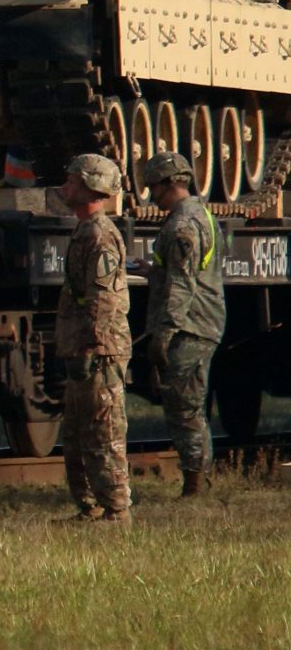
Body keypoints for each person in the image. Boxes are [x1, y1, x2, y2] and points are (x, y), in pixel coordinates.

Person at [136, 150, 224, 496]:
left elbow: (182, 286)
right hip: (203, 321)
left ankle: (195, 484)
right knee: (190, 402)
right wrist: (154, 271)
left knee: (183, 405)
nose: (151, 194)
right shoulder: (203, 215)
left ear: (170, 183)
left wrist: (164, 333)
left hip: (188, 326)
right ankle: (198, 476)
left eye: (154, 186)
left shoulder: (181, 225)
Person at [54, 153, 132, 523]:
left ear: (91, 187)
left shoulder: (99, 235)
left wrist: (91, 344)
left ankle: (116, 510)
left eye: (72, 180)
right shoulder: (86, 230)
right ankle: (91, 506)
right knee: (79, 434)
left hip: (99, 351)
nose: (65, 186)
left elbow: (104, 297)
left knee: (104, 432)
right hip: (85, 346)